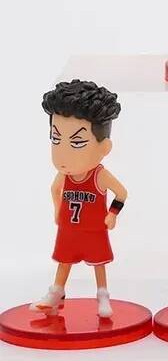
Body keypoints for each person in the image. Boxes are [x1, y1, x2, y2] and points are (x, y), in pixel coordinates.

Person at [32, 80, 127, 318]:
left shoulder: (99, 175)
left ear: (104, 147)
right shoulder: (64, 176)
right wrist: (57, 210)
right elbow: (54, 190)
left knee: (99, 264)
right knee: (63, 261)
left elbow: (121, 193)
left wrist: (112, 214)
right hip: (69, 229)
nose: (63, 152)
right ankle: (56, 292)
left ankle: (103, 295)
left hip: (94, 230)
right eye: (56, 139)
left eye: (77, 142)